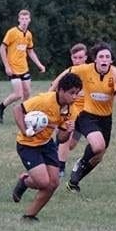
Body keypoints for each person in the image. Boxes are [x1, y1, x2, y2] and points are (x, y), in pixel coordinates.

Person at [51, 42, 116, 193]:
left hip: (106, 119)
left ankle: (74, 181)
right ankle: (69, 161)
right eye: (101, 57)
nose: (104, 59)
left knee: (98, 155)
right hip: (87, 115)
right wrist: (52, 90)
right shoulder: (85, 70)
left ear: (111, 60)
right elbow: (68, 72)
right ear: (95, 60)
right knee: (98, 146)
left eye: (107, 57)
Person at [11, 73, 82, 221]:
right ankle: (25, 181)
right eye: (71, 93)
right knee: (43, 182)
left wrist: (67, 131)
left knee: (53, 183)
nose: (75, 97)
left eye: (77, 93)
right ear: (61, 90)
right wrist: (26, 131)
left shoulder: (72, 110)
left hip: (46, 144)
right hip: (27, 145)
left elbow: (61, 139)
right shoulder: (44, 100)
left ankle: (29, 216)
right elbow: (17, 110)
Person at [0, 9, 46, 124]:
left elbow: (30, 51)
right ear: (18, 20)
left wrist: (39, 65)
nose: (24, 21)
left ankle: (24, 115)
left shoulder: (28, 34)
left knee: (27, 93)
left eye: (26, 19)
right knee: (18, 94)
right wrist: (7, 66)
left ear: (30, 20)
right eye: (22, 19)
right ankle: (1, 107)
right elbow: (2, 48)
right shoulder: (12, 32)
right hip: (13, 69)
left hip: (24, 68)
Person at [48, 43, 88, 177]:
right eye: (75, 58)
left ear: (86, 58)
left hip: (85, 114)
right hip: (70, 111)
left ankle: (53, 147)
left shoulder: (91, 71)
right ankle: (60, 168)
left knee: (71, 145)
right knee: (66, 135)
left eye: (80, 57)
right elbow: (54, 86)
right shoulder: (70, 72)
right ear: (72, 59)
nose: (78, 61)